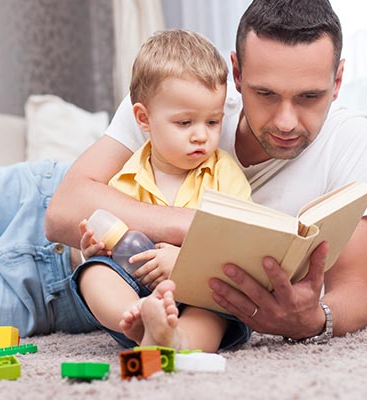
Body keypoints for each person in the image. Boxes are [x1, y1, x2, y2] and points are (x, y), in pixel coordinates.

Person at [46, 0, 367, 344]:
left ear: (336, 82)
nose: (286, 122)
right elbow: (62, 211)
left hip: (117, 294)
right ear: (237, 75)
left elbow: (356, 291)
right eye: (266, 94)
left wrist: (312, 320)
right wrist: (192, 224)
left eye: (309, 97)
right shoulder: (183, 95)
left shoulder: (352, 142)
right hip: (45, 206)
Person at [74, 29, 253, 353]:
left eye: (213, 122)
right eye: (185, 123)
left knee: (218, 303)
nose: (201, 136)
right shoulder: (125, 179)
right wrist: (94, 250)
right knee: (93, 273)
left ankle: (177, 340)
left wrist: (187, 262)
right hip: (138, 288)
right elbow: (116, 245)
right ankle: (137, 318)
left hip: (198, 288)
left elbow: (242, 247)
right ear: (144, 118)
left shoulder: (225, 175)